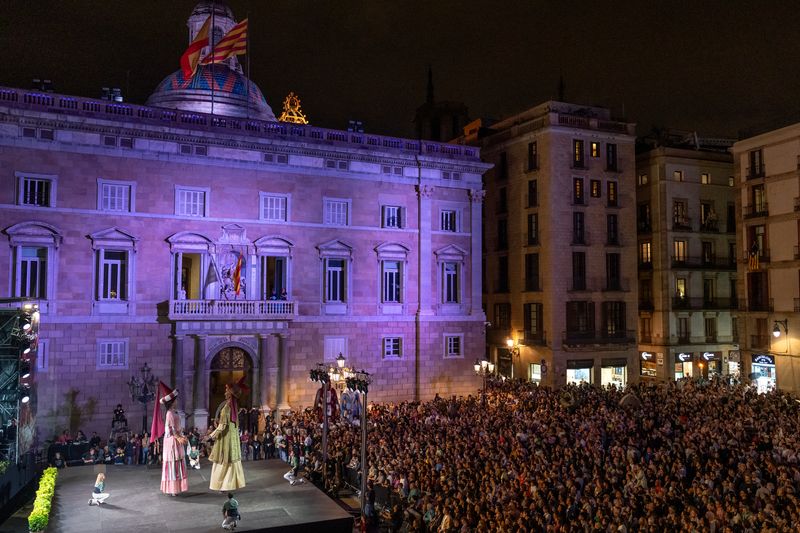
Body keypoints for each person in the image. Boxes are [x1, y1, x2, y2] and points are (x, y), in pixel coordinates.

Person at [207, 379, 247, 491]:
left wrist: (210, 436)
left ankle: (222, 485)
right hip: (232, 439)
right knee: (230, 461)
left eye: (226, 389)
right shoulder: (234, 406)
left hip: (226, 439)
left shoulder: (227, 408)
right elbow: (227, 423)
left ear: (230, 392)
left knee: (223, 460)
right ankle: (229, 484)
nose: (225, 391)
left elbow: (222, 427)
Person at [151, 382, 189, 496]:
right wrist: (179, 438)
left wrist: (182, 436)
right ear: (172, 401)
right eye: (175, 400)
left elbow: (177, 429)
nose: (177, 401)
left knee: (177, 462)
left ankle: (177, 487)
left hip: (176, 440)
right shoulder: (169, 414)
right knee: (173, 462)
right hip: (172, 441)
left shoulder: (173, 412)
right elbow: (171, 430)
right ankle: (173, 489)